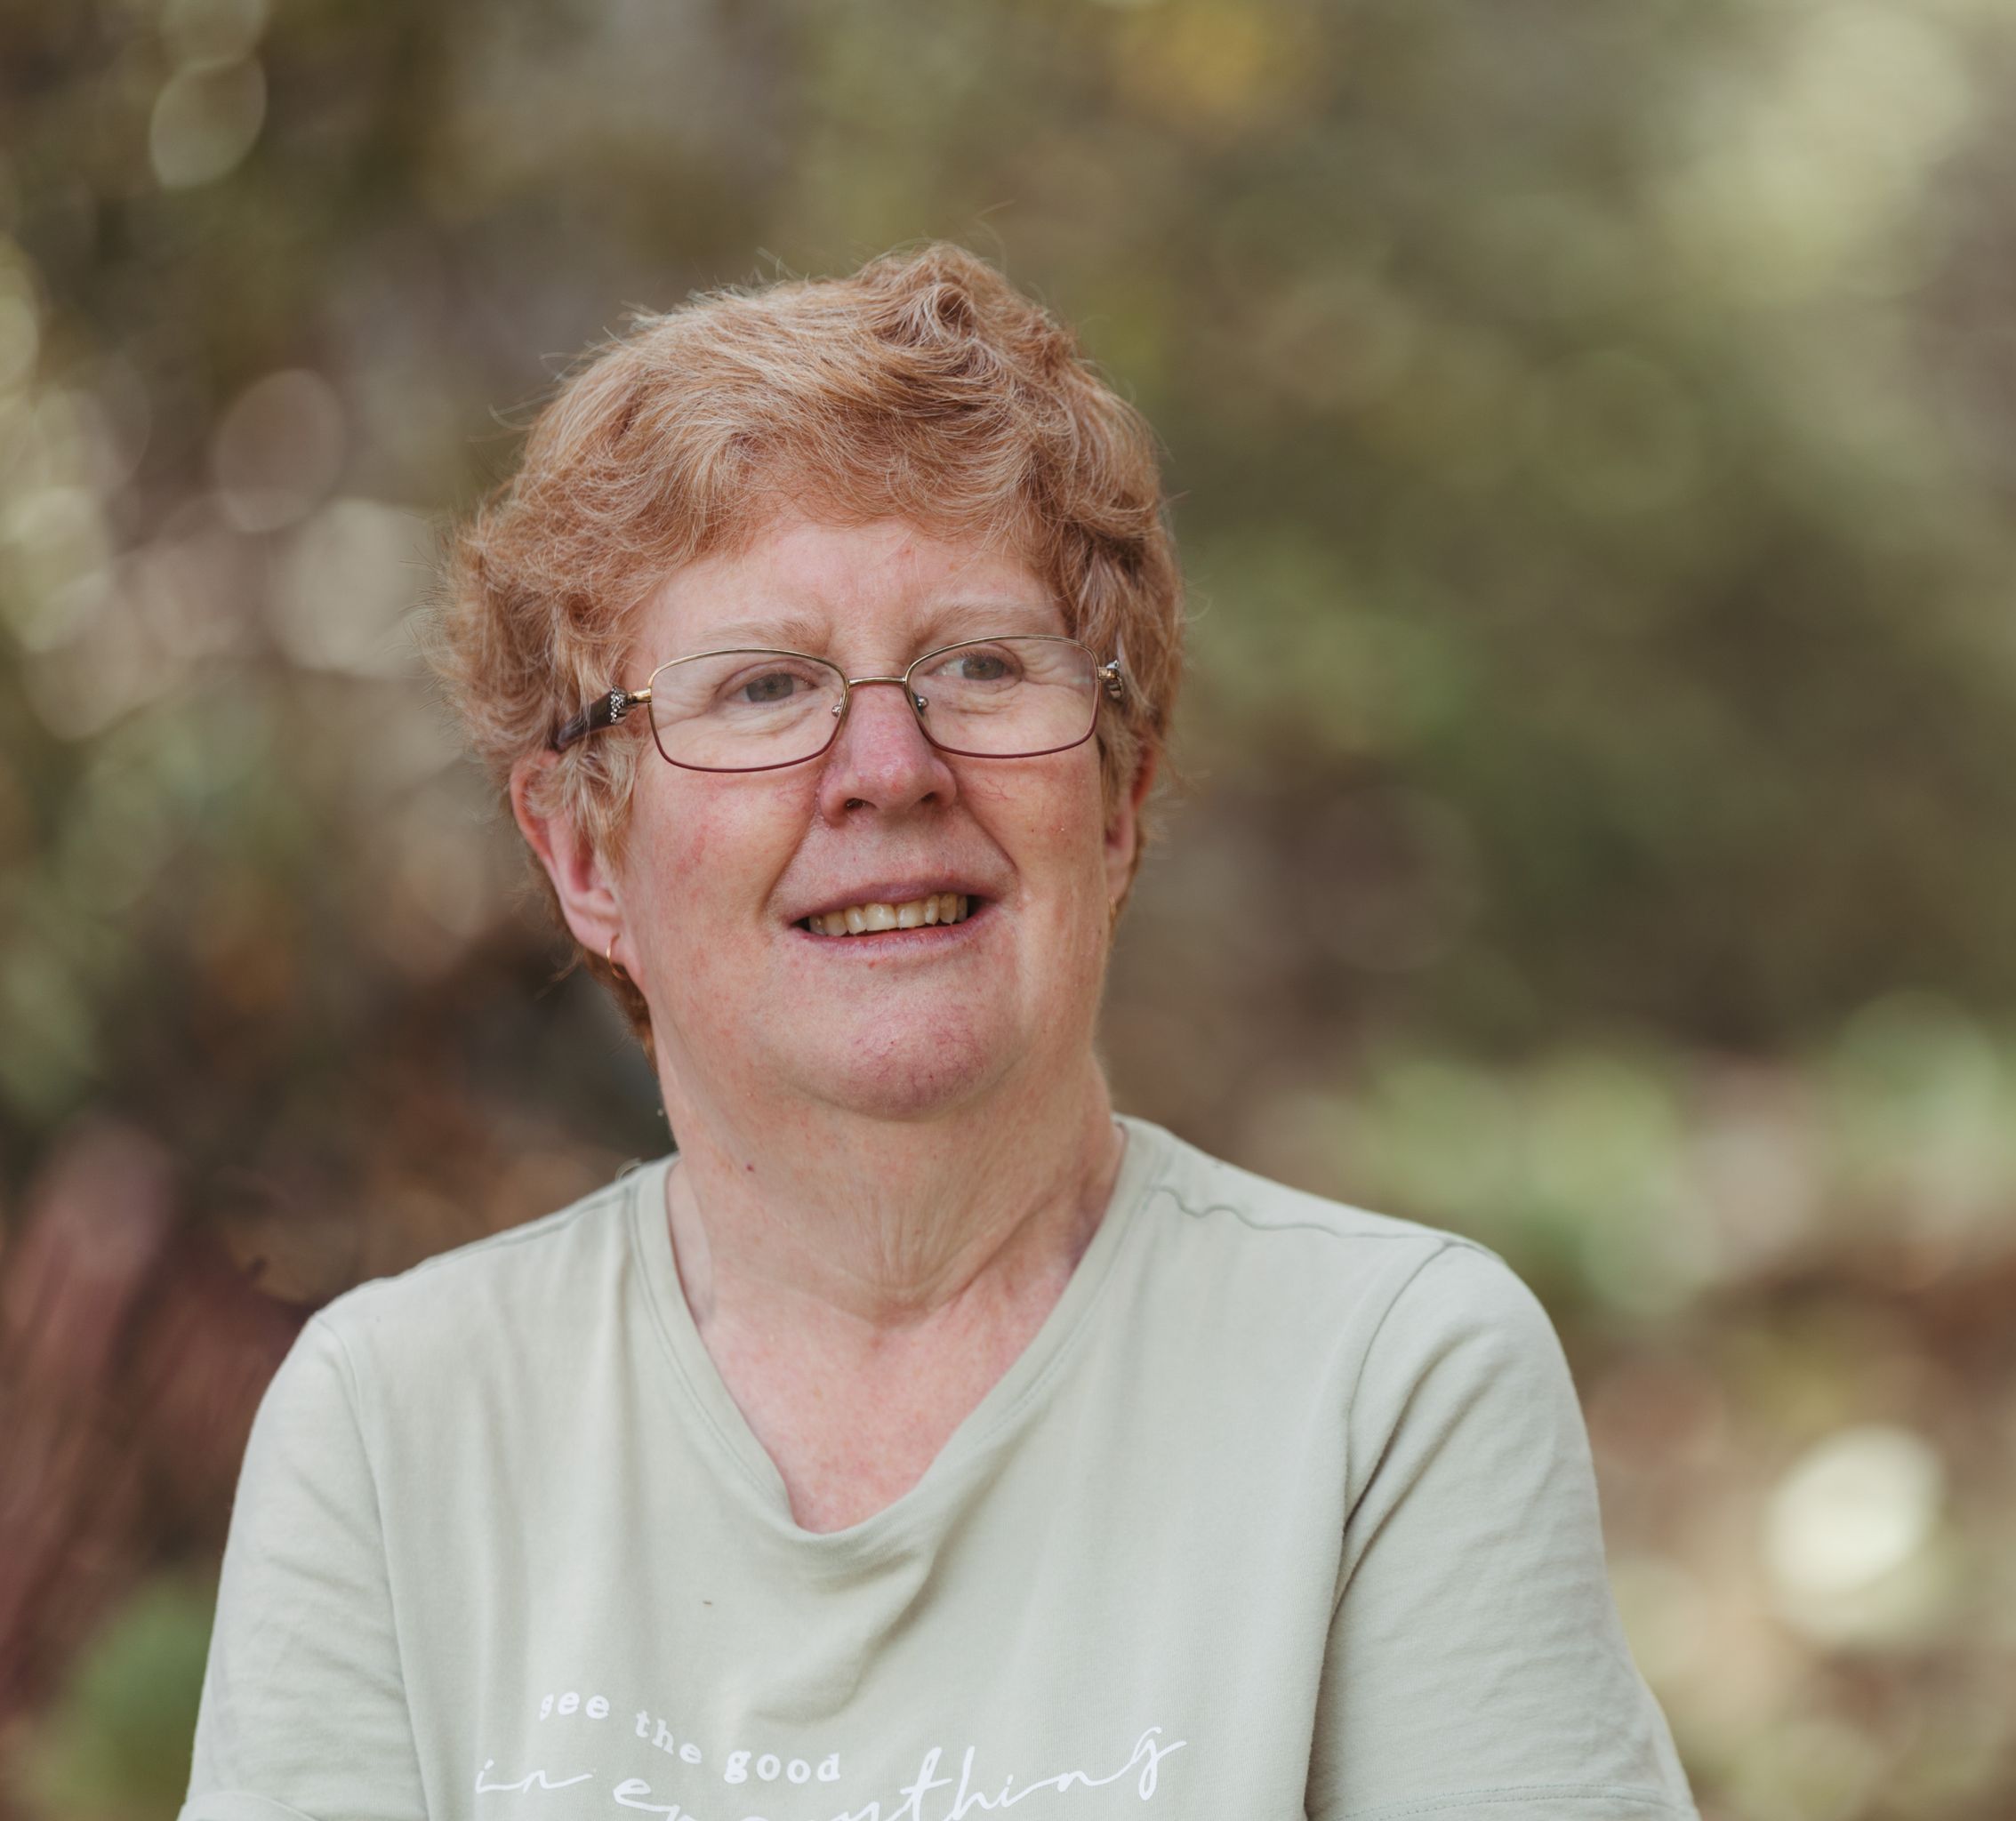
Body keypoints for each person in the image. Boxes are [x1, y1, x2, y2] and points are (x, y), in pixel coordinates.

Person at [178, 244, 1699, 1821]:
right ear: (582, 855)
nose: (890, 768)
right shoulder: (394, 1429)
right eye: (763, 689)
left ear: (1117, 800)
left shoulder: (1388, 1386)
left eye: (978, 665)